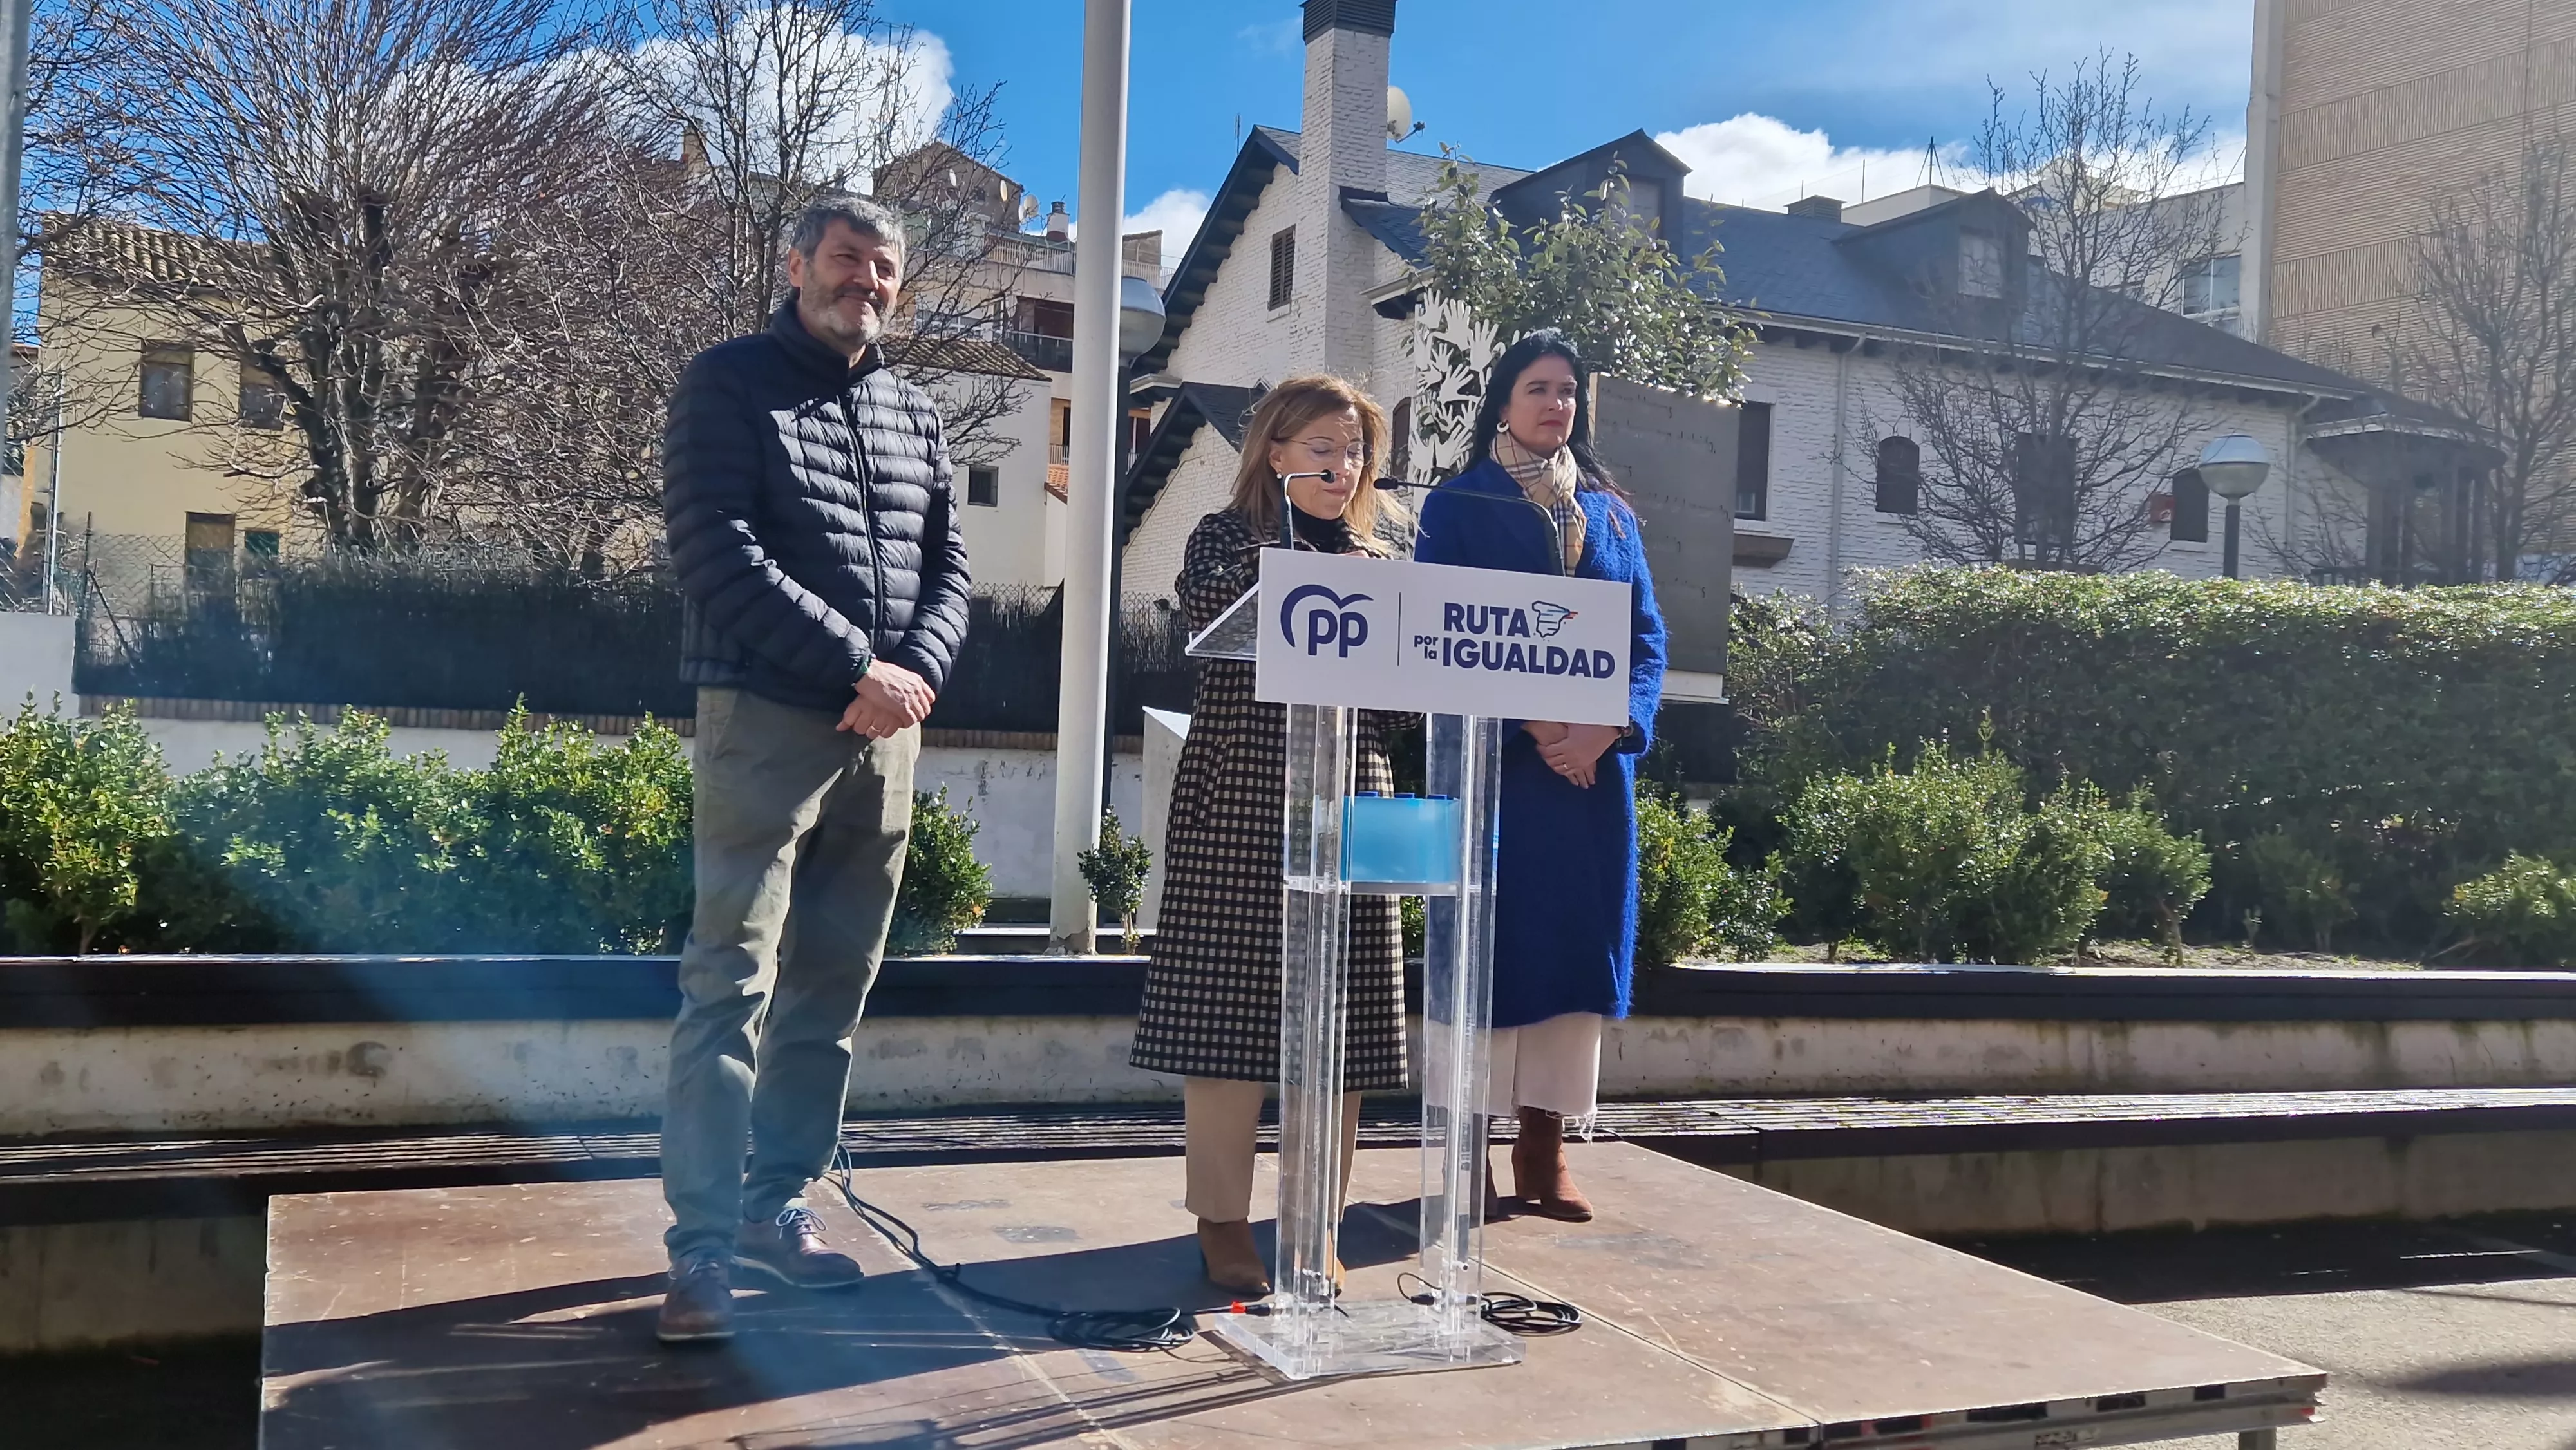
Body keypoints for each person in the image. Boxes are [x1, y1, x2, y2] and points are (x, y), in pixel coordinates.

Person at [654, 198, 972, 1344]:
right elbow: (711, 546)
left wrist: (908, 679)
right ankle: (696, 1252)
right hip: (767, 720)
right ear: (798, 266)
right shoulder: (727, 381)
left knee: (830, 990)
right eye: (849, 260)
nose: (868, 282)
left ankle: (773, 1205)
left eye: (887, 269)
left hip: (885, 736)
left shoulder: (915, 413)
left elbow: (952, 570)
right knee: (729, 983)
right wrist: (857, 665)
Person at [1128, 376, 1410, 1295]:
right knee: (1229, 1022)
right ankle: (1220, 1220)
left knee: (1343, 1024)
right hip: (1243, 802)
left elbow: (1406, 687)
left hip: (1353, 800)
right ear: (1277, 455)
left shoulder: (1384, 557)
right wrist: (1290, 560)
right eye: (1323, 448)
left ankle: (1316, 1218)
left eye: (1356, 449)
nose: (1344, 465)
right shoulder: (1225, 535)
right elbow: (1208, 618)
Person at [1412, 330, 1667, 1223]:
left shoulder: (1612, 514)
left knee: (1568, 959)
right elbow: (1439, 627)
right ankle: (1466, 1157)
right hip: (1497, 775)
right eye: (1536, 388)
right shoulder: (1458, 505)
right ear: (1503, 402)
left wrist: (1607, 731)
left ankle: (1544, 1150)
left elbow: (1647, 639)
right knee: (1486, 959)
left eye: (1566, 391)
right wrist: (1539, 725)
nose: (1555, 404)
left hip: (1588, 786)